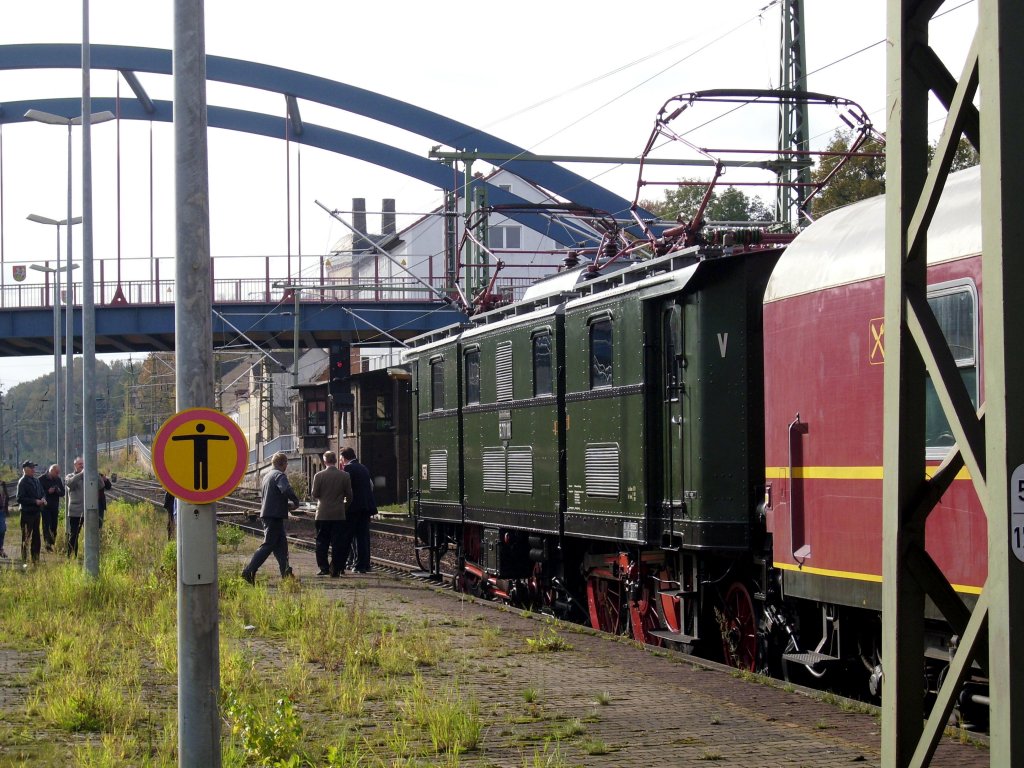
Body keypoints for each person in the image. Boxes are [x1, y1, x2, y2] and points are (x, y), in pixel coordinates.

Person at [241, 452, 300, 584]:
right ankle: (248, 571)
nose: (286, 466)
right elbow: (285, 489)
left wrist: (284, 505)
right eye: (286, 464)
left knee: (281, 547)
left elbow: (273, 496)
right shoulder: (279, 475)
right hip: (274, 516)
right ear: (283, 464)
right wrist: (296, 501)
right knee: (267, 545)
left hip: (271, 515)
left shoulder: (267, 476)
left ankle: (286, 574)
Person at [309, 450, 353, 577]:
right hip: (339, 514)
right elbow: (350, 495)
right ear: (335, 460)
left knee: (321, 542)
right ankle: (336, 568)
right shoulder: (345, 476)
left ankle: (323, 568)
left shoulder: (319, 475)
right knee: (338, 543)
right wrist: (344, 507)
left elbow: (314, 494)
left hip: (322, 513)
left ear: (324, 461)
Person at [340, 447, 377, 573]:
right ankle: (365, 564)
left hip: (353, 507)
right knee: (363, 536)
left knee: (352, 537)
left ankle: (357, 564)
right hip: (366, 507)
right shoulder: (363, 468)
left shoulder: (348, 469)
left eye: (341, 459)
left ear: (344, 457)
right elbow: (371, 486)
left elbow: (345, 489)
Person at [16, 461, 46, 564]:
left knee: (37, 536)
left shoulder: (36, 480)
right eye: (32, 467)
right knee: (26, 536)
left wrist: (43, 499)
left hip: (36, 512)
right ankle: (24, 559)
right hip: (27, 512)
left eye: (34, 467)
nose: (34, 469)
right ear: (25, 469)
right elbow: (19, 498)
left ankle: (35, 558)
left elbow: (42, 492)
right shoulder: (22, 482)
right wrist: (34, 501)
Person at [39, 464, 65, 552]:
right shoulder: (41, 479)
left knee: (54, 525)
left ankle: (52, 542)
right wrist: (48, 491)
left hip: (54, 506)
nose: (57, 474)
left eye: (58, 473)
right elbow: (39, 493)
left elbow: (63, 493)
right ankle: (47, 544)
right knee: (47, 525)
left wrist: (57, 490)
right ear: (51, 471)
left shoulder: (57, 479)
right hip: (45, 506)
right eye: (56, 472)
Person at [65, 457, 85, 557]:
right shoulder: (70, 476)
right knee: (74, 535)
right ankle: (71, 555)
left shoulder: (88, 476)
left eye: (83, 464)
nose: (82, 465)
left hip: (88, 511)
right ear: (75, 466)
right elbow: (70, 484)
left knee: (91, 534)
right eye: (79, 464)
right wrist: (81, 475)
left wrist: (95, 474)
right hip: (75, 511)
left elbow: (101, 485)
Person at [0, 480, 9, 559]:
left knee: (2, 530)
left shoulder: (2, 484)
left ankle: (0, 548)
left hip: (1, 511)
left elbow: (6, 497)